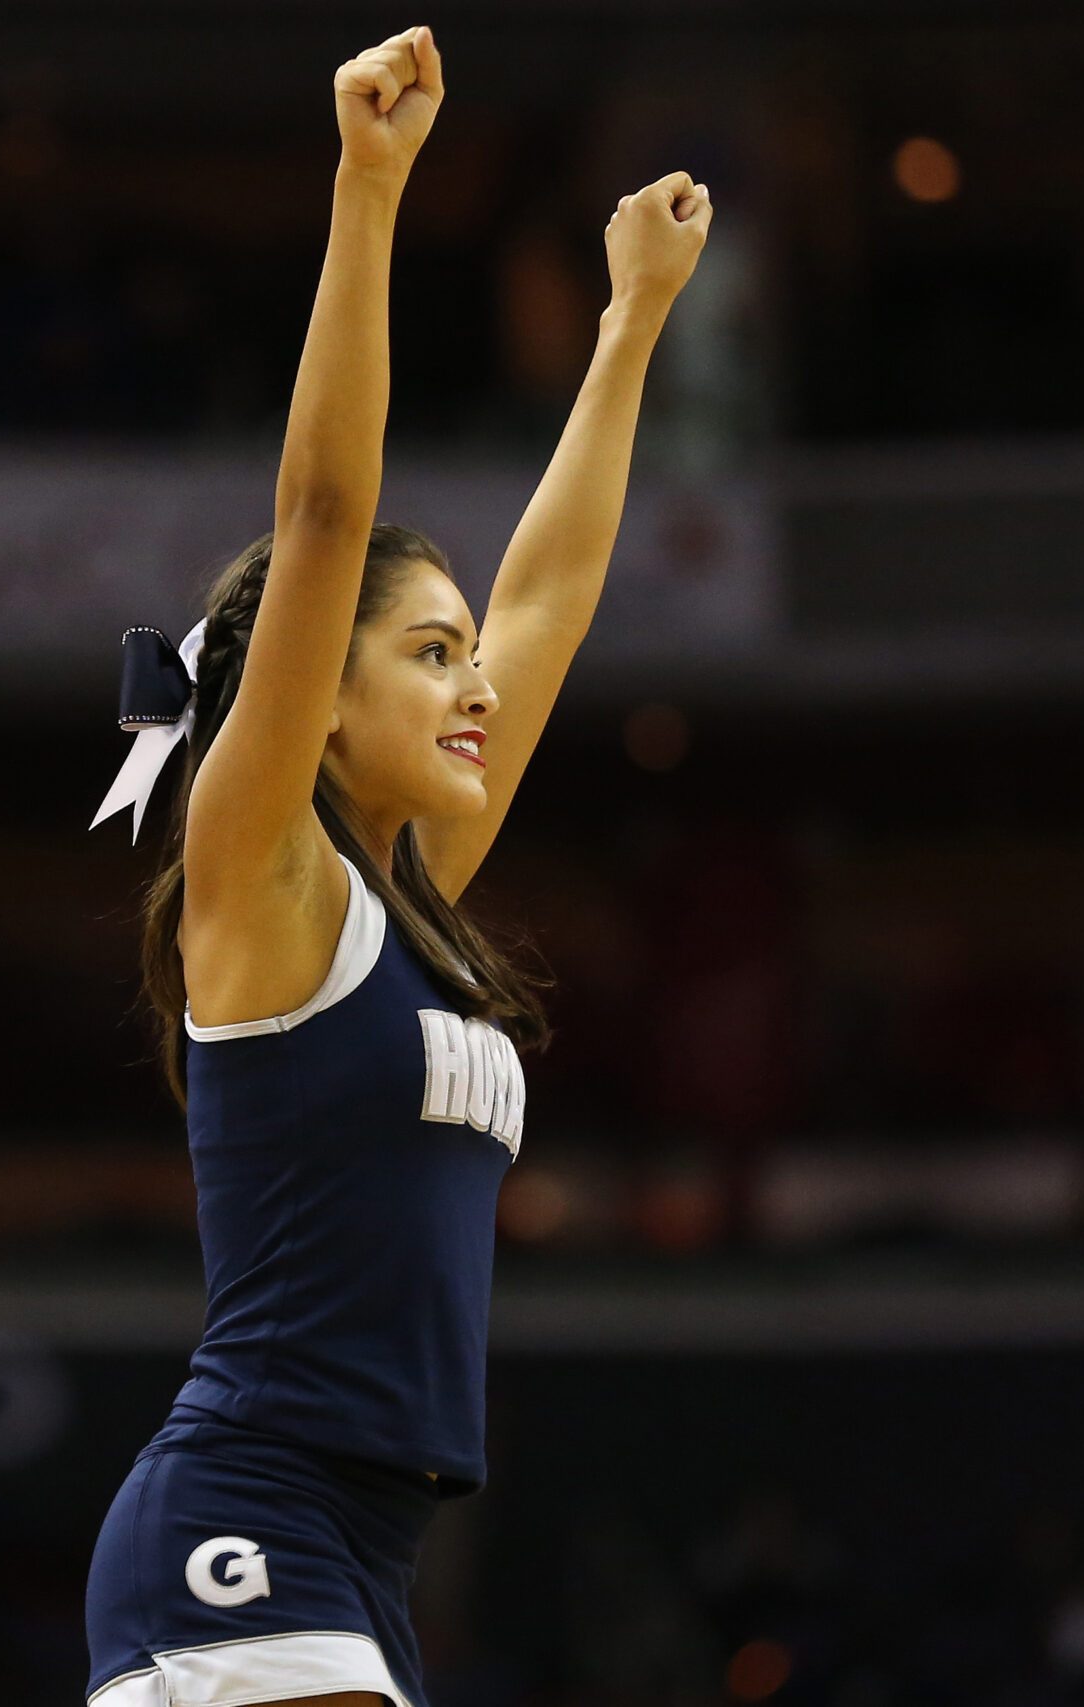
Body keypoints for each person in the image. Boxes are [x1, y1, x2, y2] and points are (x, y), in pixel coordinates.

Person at [81, 25, 712, 1707]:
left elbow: (554, 598)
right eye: (429, 655)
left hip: (364, 1545)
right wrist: (370, 194)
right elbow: (324, 508)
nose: (477, 684)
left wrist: (630, 326)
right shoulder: (258, 872)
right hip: (247, 1511)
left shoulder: (403, 893)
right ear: (317, 691)